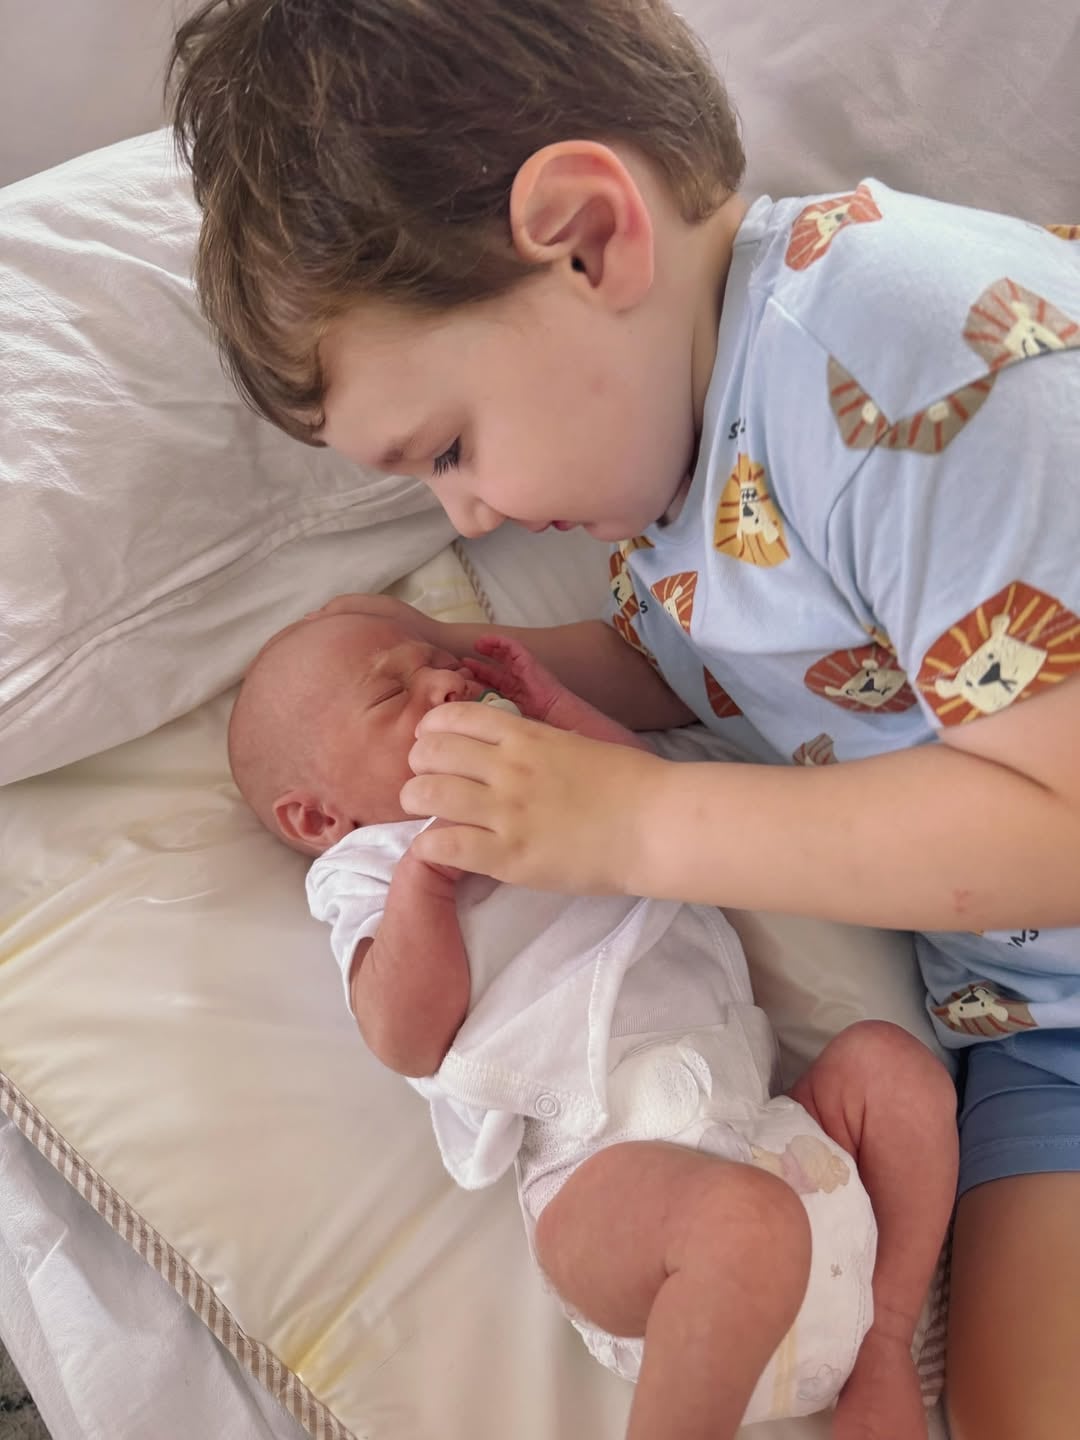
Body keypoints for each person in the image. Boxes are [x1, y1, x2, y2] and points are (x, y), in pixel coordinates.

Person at [169, 5, 1080, 1435]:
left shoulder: (904, 354)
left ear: (590, 238)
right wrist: (424, 665)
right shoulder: (667, 479)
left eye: (452, 448)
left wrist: (638, 823)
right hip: (1032, 1023)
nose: (468, 514)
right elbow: (711, 667)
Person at [227, 602, 956, 1440]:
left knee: (893, 1071)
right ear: (319, 819)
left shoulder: (540, 768)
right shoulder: (372, 870)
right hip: (604, 1178)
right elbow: (404, 1037)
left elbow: (641, 795)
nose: (442, 680)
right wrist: (427, 879)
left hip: (778, 1141)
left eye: (435, 661)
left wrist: (560, 715)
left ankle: (886, 1338)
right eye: (394, 693)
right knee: (744, 1225)